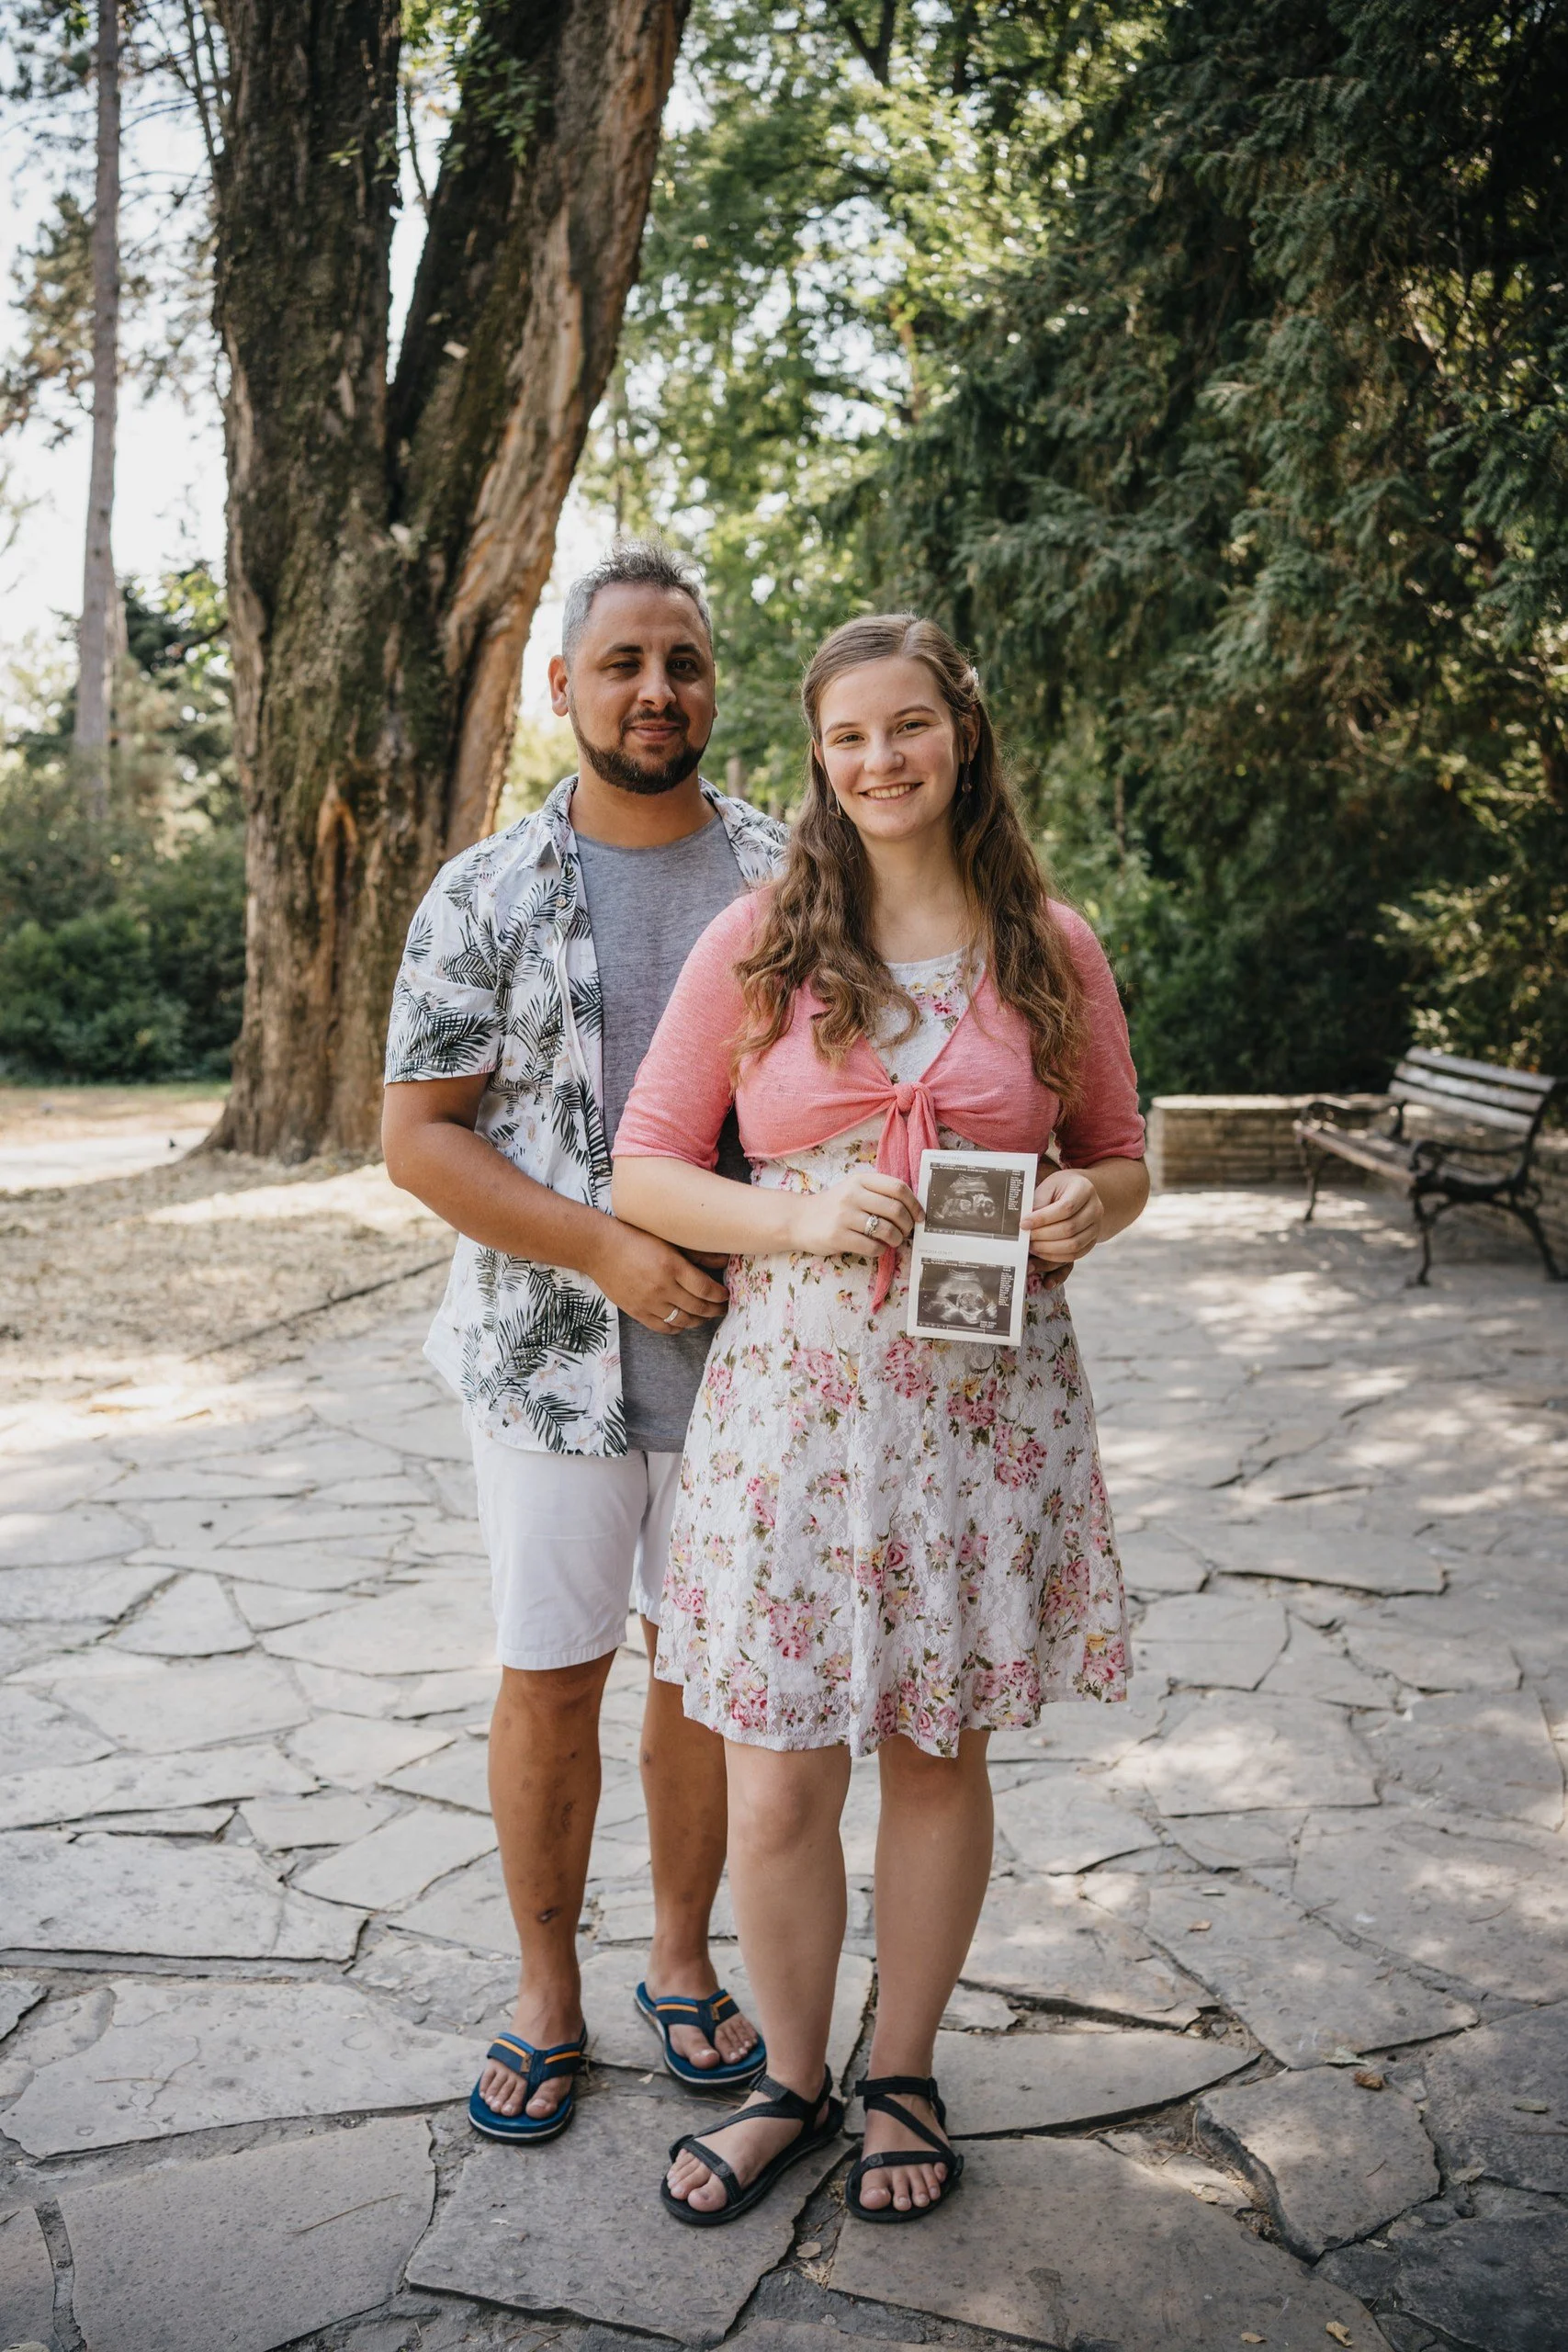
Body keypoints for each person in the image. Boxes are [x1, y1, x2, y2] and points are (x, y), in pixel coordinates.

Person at [612, 613, 1148, 2225]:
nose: (879, 761)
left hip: (983, 1419)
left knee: (934, 1753)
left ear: (960, 737)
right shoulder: (759, 944)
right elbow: (643, 1168)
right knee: (775, 1779)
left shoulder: (1050, 946)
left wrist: (1085, 1212)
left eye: (906, 727)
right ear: (821, 762)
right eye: (846, 739)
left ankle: (901, 2067)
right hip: (792, 1410)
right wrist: (791, 1219)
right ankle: (792, 2075)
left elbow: (1123, 1150)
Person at [381, 542, 784, 2143]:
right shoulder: (481, 893)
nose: (653, 690)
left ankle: (678, 1964)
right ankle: (545, 1992)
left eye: (680, 660)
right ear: (564, 686)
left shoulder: (790, 873)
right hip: (548, 1368)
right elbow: (419, 1137)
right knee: (552, 1681)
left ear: (710, 684)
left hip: (757, 1365)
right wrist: (612, 1248)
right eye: (621, 662)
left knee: (698, 1677)